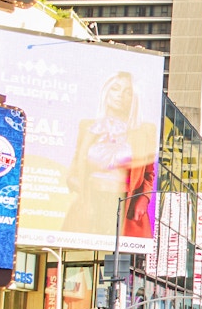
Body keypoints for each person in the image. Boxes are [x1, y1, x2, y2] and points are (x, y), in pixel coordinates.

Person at [63, 71, 159, 238]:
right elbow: (75, 166)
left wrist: (143, 199)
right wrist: (76, 182)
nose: (120, 96)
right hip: (90, 204)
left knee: (123, 260)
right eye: (115, 89)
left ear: (134, 98)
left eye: (127, 92)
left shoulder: (144, 131)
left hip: (126, 208)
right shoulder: (88, 127)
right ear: (106, 92)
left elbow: (149, 174)